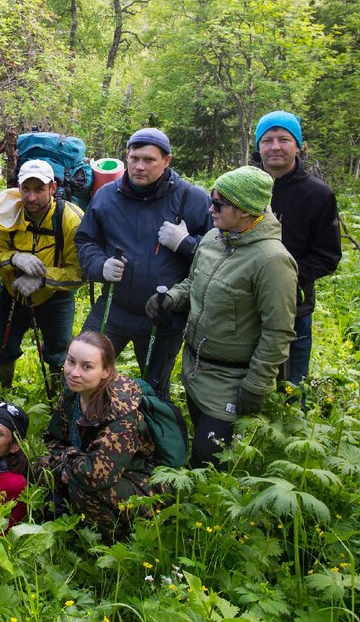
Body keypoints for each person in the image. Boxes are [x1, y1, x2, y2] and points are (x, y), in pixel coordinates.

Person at [146, 166, 297, 467]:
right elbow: (194, 282)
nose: (210, 209)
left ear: (244, 210)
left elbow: (278, 332)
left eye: (219, 203)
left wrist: (255, 386)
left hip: (232, 378)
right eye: (212, 200)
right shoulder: (214, 237)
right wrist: (171, 299)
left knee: (208, 458)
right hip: (196, 366)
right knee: (197, 443)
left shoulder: (273, 260)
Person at [75, 128, 210, 400]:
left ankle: (149, 436)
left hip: (163, 313)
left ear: (167, 160)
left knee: (154, 388)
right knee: (84, 369)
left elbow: (216, 255)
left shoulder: (192, 198)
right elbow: (86, 241)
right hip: (114, 306)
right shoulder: (106, 196)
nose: (139, 166)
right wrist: (100, 265)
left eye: (149, 160)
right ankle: (79, 428)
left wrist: (185, 243)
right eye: (134, 158)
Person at [37, 331, 167, 534]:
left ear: (106, 371)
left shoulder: (122, 412)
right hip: (87, 464)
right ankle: (64, 519)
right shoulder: (73, 392)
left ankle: (107, 540)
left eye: (87, 366)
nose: (74, 372)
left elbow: (97, 476)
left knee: (83, 489)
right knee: (41, 468)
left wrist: (66, 467)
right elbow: (53, 439)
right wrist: (67, 465)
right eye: (71, 362)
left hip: (140, 483)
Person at [253, 111, 342, 388]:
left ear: (299, 145)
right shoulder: (244, 186)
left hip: (295, 307)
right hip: (244, 305)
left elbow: (327, 257)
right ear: (258, 147)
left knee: (291, 385)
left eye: (284, 139)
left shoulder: (318, 195)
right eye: (267, 140)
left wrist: (282, 276)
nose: (275, 147)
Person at [0, 159, 84, 398]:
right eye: (26, 189)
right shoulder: (8, 214)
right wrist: (14, 258)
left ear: (53, 188)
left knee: (59, 355)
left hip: (56, 298)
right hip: (13, 293)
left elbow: (79, 273)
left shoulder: (71, 220)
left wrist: (43, 279)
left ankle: (62, 403)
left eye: (39, 189)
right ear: (18, 187)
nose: (31, 197)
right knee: (3, 348)